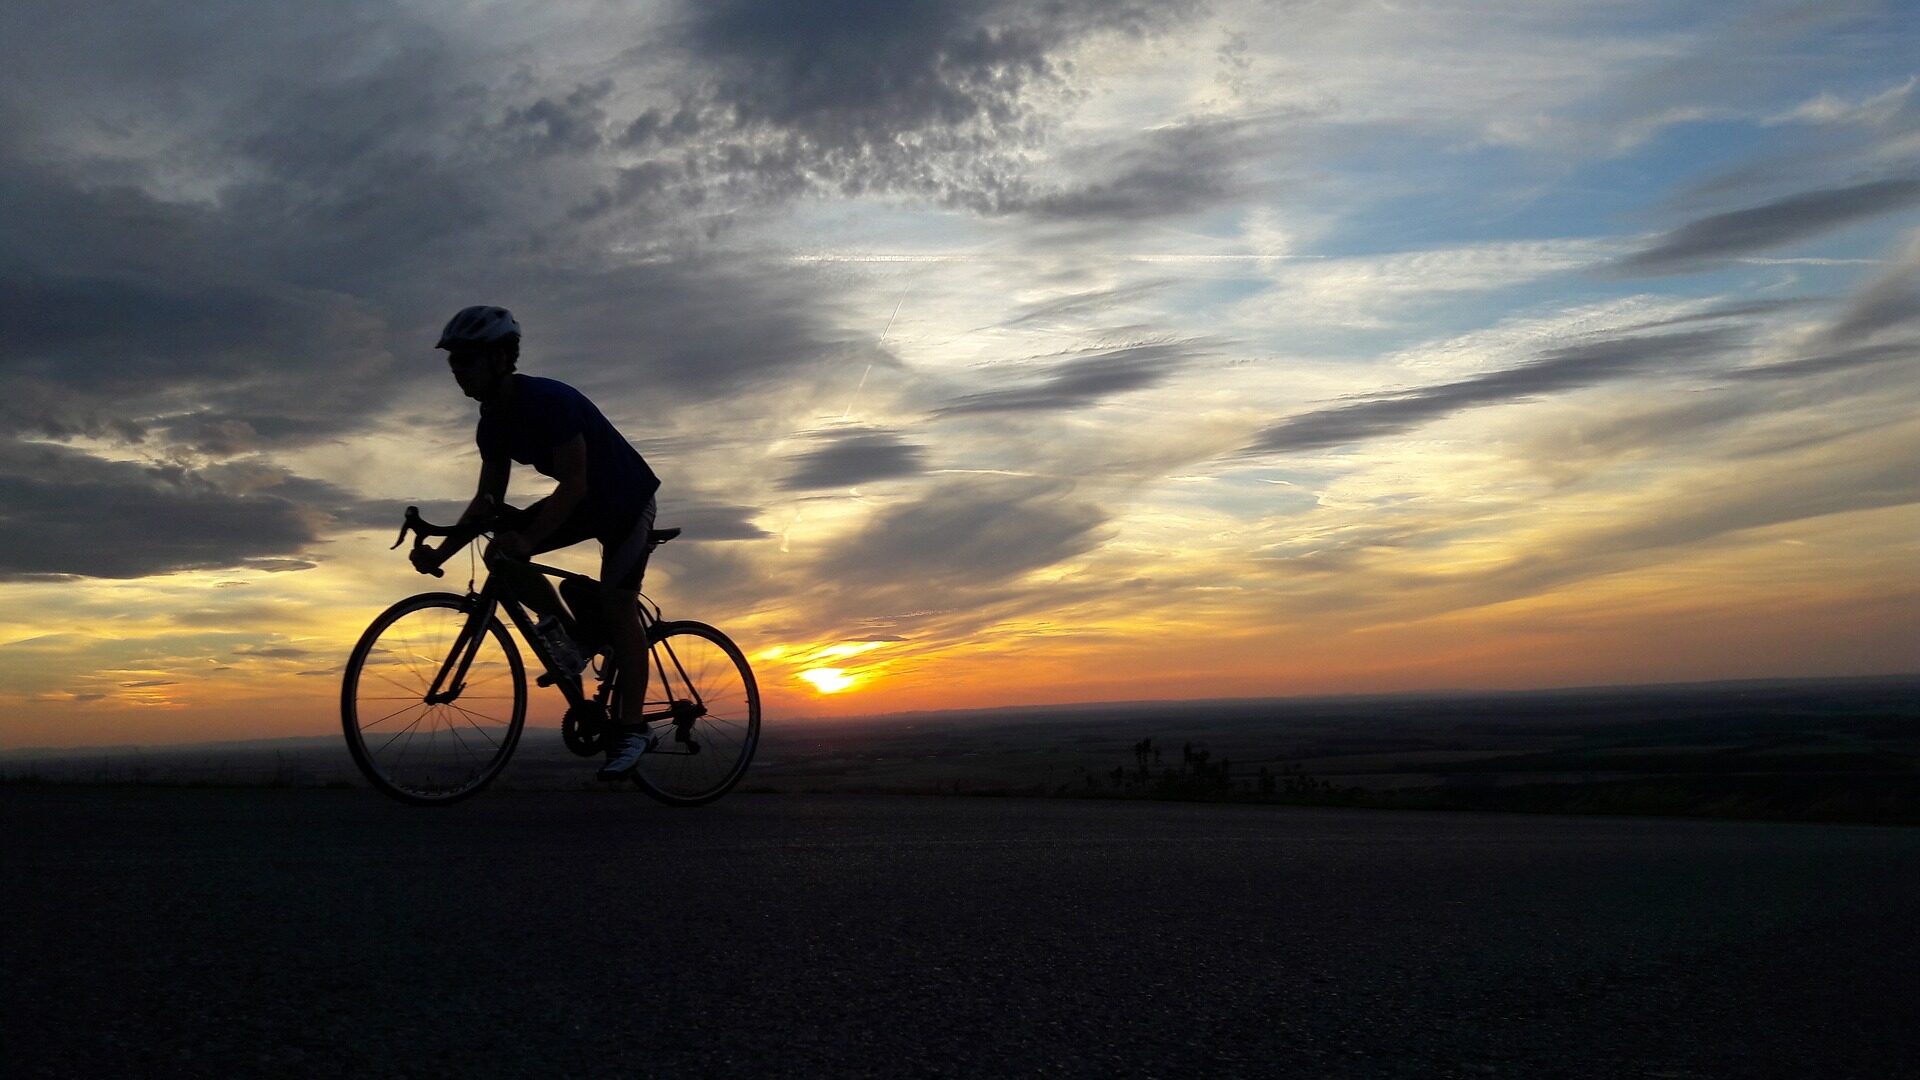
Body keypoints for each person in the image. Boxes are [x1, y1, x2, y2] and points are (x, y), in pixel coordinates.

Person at [413, 305, 661, 780]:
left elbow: (574, 484)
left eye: (466, 360)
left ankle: (634, 728)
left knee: (617, 604)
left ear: (502, 357)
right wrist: (440, 554)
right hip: (585, 502)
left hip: (626, 501)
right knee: (500, 553)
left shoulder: (550, 401)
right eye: (453, 362)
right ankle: (571, 641)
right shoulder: (492, 424)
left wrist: (528, 537)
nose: (457, 371)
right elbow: (487, 502)